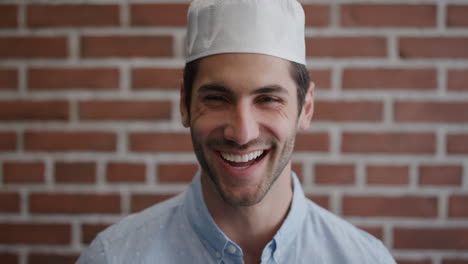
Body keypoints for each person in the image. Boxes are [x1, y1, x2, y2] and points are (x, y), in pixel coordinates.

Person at [77, 0, 396, 263]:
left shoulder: (366, 259)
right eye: (216, 98)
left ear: (306, 107)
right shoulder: (113, 257)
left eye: (268, 99)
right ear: (185, 105)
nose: (241, 133)